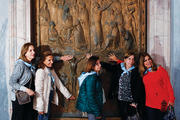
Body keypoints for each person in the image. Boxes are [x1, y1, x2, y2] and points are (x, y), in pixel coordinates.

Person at [101, 52, 145, 120]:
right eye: (129, 59)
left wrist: (135, 102)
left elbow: (138, 88)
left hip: (131, 101)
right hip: (121, 100)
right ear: (125, 59)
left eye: (132, 59)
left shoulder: (136, 72)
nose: (131, 61)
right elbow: (109, 67)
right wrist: (98, 62)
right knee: (123, 117)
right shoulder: (119, 67)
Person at [33, 51, 75, 120]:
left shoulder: (51, 70)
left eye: (52, 60)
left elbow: (58, 83)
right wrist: (40, 107)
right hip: (43, 98)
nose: (52, 62)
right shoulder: (40, 72)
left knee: (47, 116)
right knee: (43, 117)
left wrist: (68, 95)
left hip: (49, 96)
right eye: (49, 60)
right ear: (43, 61)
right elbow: (38, 91)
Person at [139, 52, 175, 120]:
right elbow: (128, 65)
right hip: (150, 104)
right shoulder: (143, 74)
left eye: (149, 59)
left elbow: (168, 85)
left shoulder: (160, 70)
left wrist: (171, 100)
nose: (148, 61)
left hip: (162, 103)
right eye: (145, 60)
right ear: (142, 63)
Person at [9, 42, 37, 120]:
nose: (33, 52)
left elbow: (45, 59)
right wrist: (27, 90)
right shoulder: (20, 64)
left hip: (28, 98)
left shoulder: (31, 64)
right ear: (25, 53)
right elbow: (12, 82)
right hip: (19, 98)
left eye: (33, 50)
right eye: (30, 50)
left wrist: (61, 58)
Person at [76, 56, 103, 120]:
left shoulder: (92, 75)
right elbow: (90, 97)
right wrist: (97, 112)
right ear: (92, 65)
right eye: (97, 64)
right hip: (93, 109)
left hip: (93, 107)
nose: (100, 65)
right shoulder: (91, 78)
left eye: (99, 63)